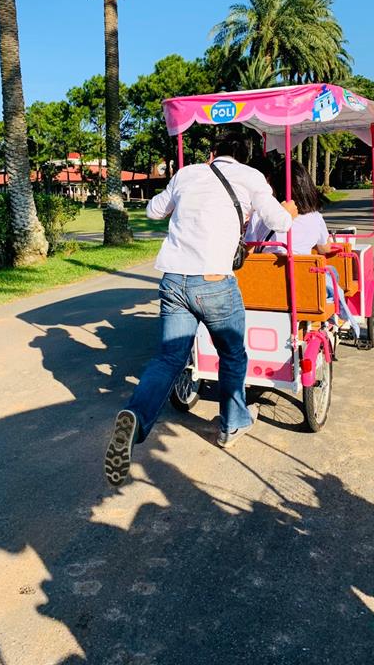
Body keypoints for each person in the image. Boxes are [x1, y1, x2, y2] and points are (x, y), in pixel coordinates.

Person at [104, 131, 298, 487]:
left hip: (173, 280)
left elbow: (153, 210)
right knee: (233, 355)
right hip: (214, 282)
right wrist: (287, 211)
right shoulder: (251, 176)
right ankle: (232, 422)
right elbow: (280, 223)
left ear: (212, 153)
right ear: (243, 156)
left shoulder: (187, 173)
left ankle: (136, 415)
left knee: (168, 358)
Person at [245, 161, 360, 338]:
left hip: (264, 289)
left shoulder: (259, 215)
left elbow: (249, 251)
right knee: (330, 272)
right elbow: (324, 248)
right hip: (303, 291)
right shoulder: (315, 218)